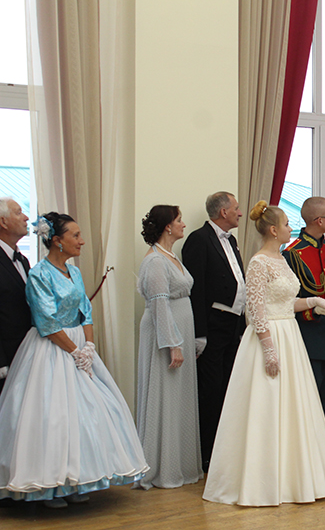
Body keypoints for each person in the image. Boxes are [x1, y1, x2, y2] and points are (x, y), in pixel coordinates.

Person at [0, 212, 148, 508]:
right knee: (52, 416)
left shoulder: (75, 272)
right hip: (50, 348)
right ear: (57, 241)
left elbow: (86, 313)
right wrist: (74, 351)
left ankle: (78, 479)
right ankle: (52, 486)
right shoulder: (39, 273)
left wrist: (89, 346)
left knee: (89, 412)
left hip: (79, 345)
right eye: (76, 236)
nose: (81, 241)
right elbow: (46, 321)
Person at [204, 202, 325, 506]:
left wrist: (314, 302)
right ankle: (262, 480)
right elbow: (255, 310)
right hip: (269, 337)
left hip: (290, 334)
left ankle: (296, 477)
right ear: (273, 230)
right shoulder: (258, 262)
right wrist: (268, 348)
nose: (291, 228)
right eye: (287, 224)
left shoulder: (281, 259)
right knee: (266, 405)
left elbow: (285, 302)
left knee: (295, 406)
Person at [135, 205, 202, 490]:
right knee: (165, 394)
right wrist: (173, 344)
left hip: (181, 328)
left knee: (180, 397)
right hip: (166, 333)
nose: (183, 224)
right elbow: (159, 303)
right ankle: (161, 466)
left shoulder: (171, 256)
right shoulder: (155, 261)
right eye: (179, 220)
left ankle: (180, 462)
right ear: (167, 226)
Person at [182, 191, 246, 471]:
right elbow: (196, 290)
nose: (240, 213)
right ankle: (207, 453)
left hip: (233, 325)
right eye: (236, 208)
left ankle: (225, 449)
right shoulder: (199, 239)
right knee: (211, 390)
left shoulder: (231, 240)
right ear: (223, 212)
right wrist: (200, 334)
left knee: (229, 387)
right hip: (213, 325)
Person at [283, 197, 325, 431]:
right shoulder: (293, 253)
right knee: (309, 397)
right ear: (319, 220)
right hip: (310, 333)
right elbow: (288, 298)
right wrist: (313, 311)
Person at [0, 197, 31, 394]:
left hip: (27, 354)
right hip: (6, 360)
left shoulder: (24, 261)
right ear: (3, 222)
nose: (26, 217)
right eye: (18, 213)